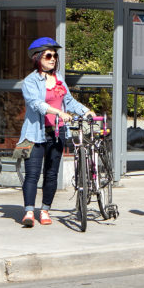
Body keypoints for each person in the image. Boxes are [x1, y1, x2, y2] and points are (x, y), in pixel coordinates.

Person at [19, 36, 92, 228]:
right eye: (48, 55)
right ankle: (28, 212)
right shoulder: (30, 81)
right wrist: (58, 111)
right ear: (37, 58)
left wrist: (86, 111)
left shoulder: (59, 80)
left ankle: (44, 210)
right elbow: (36, 104)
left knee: (51, 174)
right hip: (35, 134)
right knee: (32, 174)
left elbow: (70, 102)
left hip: (57, 133)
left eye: (54, 56)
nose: (52, 59)